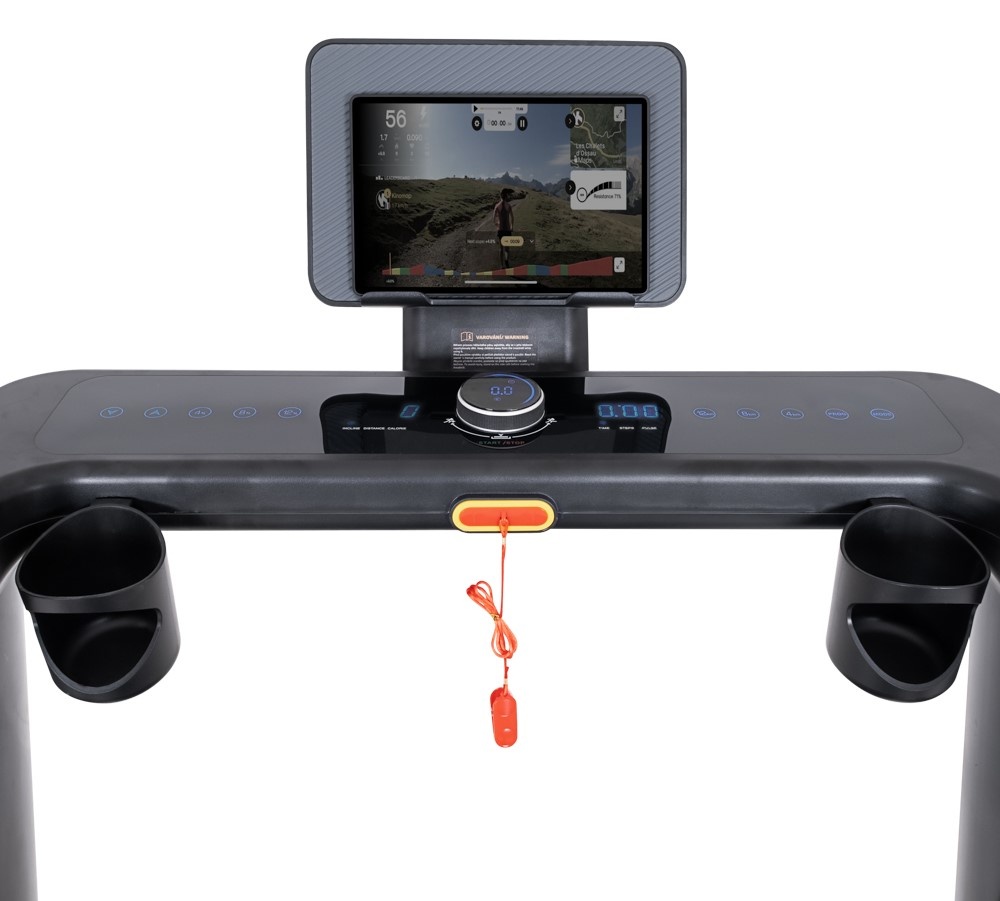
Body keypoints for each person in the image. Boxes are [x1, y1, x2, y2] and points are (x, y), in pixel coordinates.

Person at [493, 188, 515, 268]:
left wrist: (497, 225)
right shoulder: (508, 206)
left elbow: (493, 219)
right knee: (507, 248)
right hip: (507, 230)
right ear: (506, 196)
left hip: (501, 230)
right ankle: (506, 262)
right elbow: (512, 218)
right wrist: (512, 226)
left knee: (501, 248)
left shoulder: (497, 206)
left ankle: (502, 265)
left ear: (500, 196)